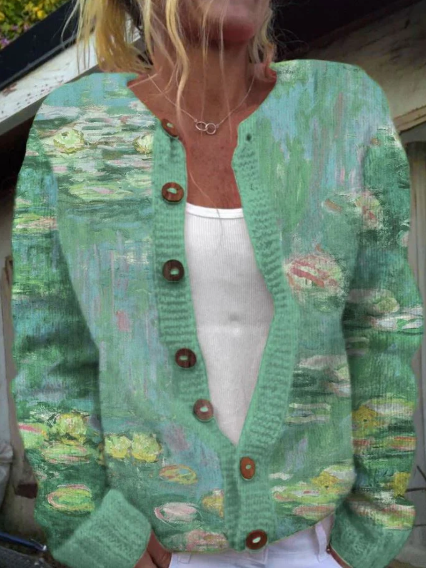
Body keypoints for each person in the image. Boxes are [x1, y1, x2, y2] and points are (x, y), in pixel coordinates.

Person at [9, 1, 424, 568]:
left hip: (318, 544)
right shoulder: (78, 129)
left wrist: (369, 530)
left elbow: (381, 329)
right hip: (154, 547)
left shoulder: (341, 107)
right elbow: (53, 357)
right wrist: (96, 532)